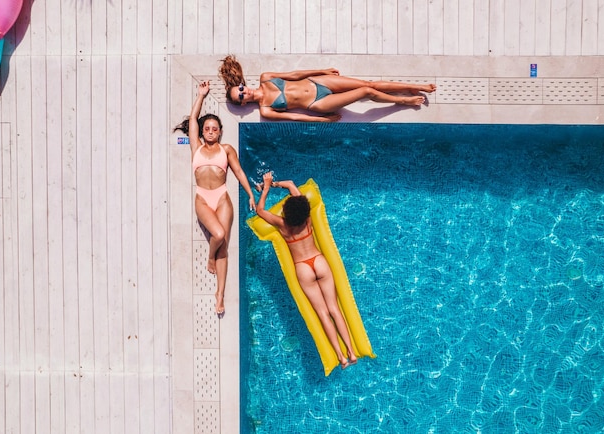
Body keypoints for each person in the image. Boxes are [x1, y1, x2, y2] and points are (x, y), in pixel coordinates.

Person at [255, 172, 358, 369]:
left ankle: (341, 357)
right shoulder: (307, 217)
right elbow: (293, 186)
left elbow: (260, 211)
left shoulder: (283, 225)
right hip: (319, 262)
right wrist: (277, 183)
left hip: (303, 268)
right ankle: (351, 352)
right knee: (334, 309)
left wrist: (266, 186)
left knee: (322, 313)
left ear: (286, 213)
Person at [174, 81, 256, 319]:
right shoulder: (196, 147)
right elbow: (192, 119)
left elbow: (239, 172)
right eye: (207, 128)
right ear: (202, 132)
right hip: (203, 198)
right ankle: (210, 257)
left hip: (221, 198)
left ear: (220, 132)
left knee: (224, 249)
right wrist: (200, 95)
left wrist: (250, 193)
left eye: (214, 129)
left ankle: (219, 293)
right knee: (218, 236)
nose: (210, 131)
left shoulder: (227, 149)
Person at [219, 54, 437, 122]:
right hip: (317, 103)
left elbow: (294, 75)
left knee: (367, 83)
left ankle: (414, 87)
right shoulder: (265, 110)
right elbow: (296, 117)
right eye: (240, 97)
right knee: (366, 93)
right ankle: (403, 101)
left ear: (242, 85)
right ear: (243, 102)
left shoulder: (265, 77)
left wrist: (320, 70)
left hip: (317, 83)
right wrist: (322, 120)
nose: (242, 92)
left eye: (239, 89)